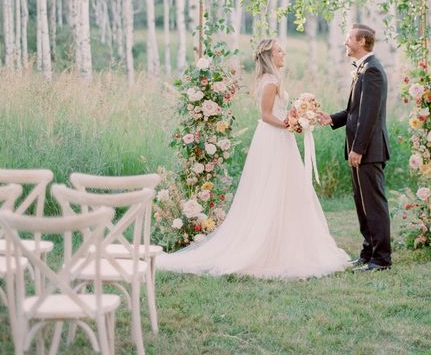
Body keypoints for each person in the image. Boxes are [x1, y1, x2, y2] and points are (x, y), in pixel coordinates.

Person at [157, 39, 350, 279]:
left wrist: (293, 116)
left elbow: (277, 112)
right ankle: (266, 245)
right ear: (269, 56)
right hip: (273, 138)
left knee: (286, 188)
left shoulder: (274, 80)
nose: (284, 53)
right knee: (271, 187)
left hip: (281, 137)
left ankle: (283, 240)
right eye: (279, 50)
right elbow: (266, 115)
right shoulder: (269, 82)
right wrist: (288, 124)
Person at [320, 24, 392, 272]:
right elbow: (355, 112)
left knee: (373, 204)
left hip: (368, 151)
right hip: (361, 149)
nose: (345, 42)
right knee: (362, 203)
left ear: (362, 41)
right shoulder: (363, 69)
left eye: (349, 38)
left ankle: (381, 259)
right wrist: (330, 118)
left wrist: (358, 149)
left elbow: (369, 116)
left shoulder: (372, 71)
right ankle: (367, 252)